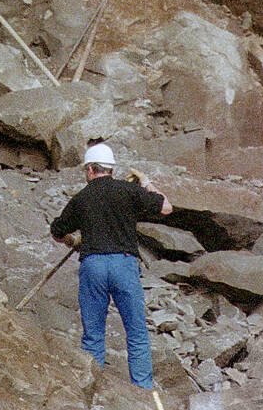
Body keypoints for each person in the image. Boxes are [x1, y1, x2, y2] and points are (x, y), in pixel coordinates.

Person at [50, 143, 172, 389]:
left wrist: (71, 240)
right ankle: (143, 391)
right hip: (123, 264)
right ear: (110, 169)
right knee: (136, 333)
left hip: (93, 264)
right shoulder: (128, 190)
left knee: (93, 335)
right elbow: (166, 206)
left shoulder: (81, 198)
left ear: (91, 170)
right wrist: (146, 182)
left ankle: (93, 391)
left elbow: (56, 230)